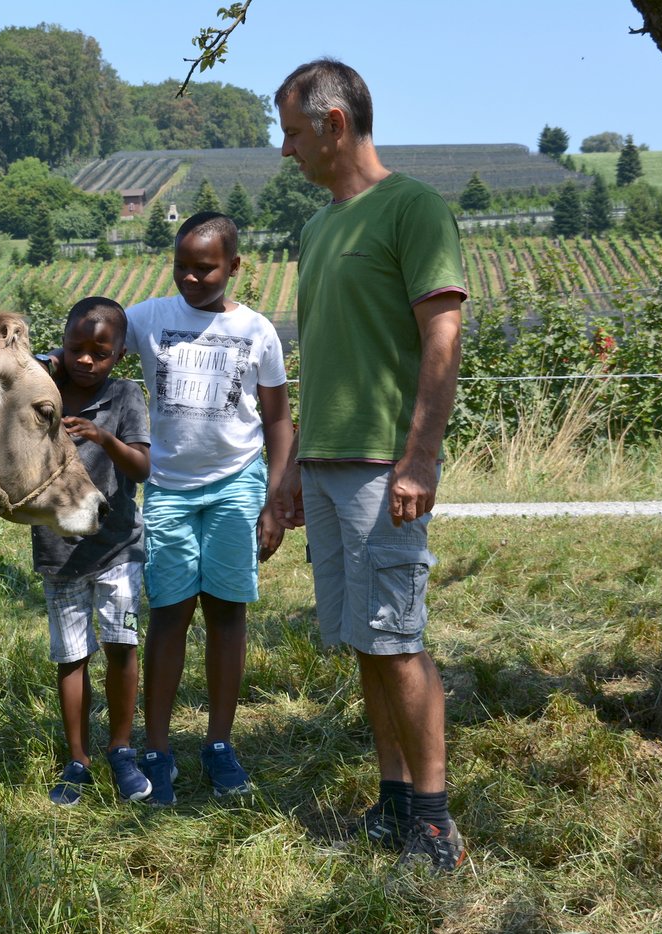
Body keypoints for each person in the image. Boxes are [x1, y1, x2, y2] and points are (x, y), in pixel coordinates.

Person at [268, 58, 468, 873]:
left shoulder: (412, 208)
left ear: (334, 124)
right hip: (327, 466)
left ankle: (434, 822)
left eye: (291, 131)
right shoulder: (318, 229)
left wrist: (420, 458)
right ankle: (391, 805)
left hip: (387, 468)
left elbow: (443, 337)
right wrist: (291, 475)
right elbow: (323, 359)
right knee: (363, 641)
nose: (286, 151)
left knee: (397, 640)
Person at [123, 211, 295, 806]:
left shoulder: (257, 331)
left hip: (236, 487)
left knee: (226, 613)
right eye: (182, 267)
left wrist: (275, 500)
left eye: (206, 268)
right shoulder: (147, 319)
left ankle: (219, 743)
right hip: (168, 488)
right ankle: (158, 746)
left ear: (234, 266)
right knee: (169, 613)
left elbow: (276, 419)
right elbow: (86, 347)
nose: (192, 279)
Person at [31, 297, 153, 806]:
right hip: (59, 552)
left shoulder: (125, 396)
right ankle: (77, 757)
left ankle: (121, 748)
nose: (86, 359)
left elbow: (143, 468)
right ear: (61, 343)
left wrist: (104, 438)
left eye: (99, 352)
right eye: (75, 348)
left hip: (117, 546)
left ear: (119, 355)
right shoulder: (44, 392)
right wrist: (41, 368)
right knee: (71, 655)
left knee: (122, 645)